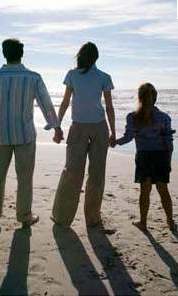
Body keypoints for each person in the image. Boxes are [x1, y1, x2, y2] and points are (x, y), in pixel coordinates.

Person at [0, 38, 62, 228]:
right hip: (24, 135)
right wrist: (56, 127)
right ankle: (24, 217)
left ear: (4, 53)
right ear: (22, 53)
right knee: (25, 178)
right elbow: (46, 103)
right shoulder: (32, 77)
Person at [51, 42, 116, 227]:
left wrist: (57, 126)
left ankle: (62, 217)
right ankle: (93, 218)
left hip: (78, 127)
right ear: (96, 57)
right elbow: (109, 108)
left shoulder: (72, 75)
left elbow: (64, 103)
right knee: (97, 174)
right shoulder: (104, 76)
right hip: (99, 127)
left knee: (72, 172)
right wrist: (113, 132)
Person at [114, 83, 176, 231]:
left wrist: (115, 142)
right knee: (163, 191)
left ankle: (143, 223)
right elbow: (169, 144)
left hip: (144, 157)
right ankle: (170, 222)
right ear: (155, 98)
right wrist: (169, 161)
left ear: (139, 97)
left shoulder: (133, 117)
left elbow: (128, 138)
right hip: (160, 157)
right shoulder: (164, 117)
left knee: (145, 191)